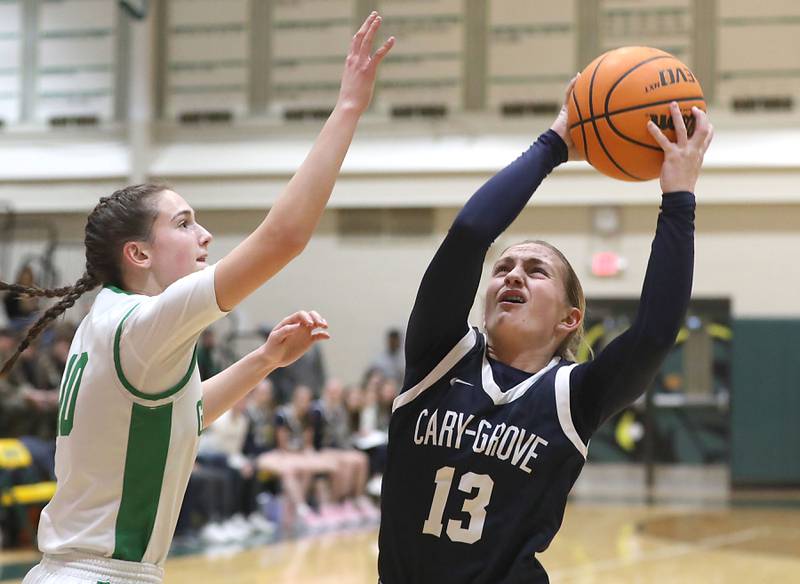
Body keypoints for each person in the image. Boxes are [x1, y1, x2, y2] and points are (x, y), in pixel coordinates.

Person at [2, 12, 393, 584]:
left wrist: (264, 360)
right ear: (139, 253)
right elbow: (283, 238)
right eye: (184, 224)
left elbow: (184, 415)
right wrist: (348, 109)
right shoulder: (137, 323)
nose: (204, 235)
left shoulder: (109, 321)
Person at [377, 77, 713, 583]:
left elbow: (655, 332)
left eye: (536, 271)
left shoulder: (572, 396)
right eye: (505, 267)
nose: (512, 273)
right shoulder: (439, 356)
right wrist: (555, 141)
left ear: (569, 319)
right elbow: (470, 234)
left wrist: (679, 196)